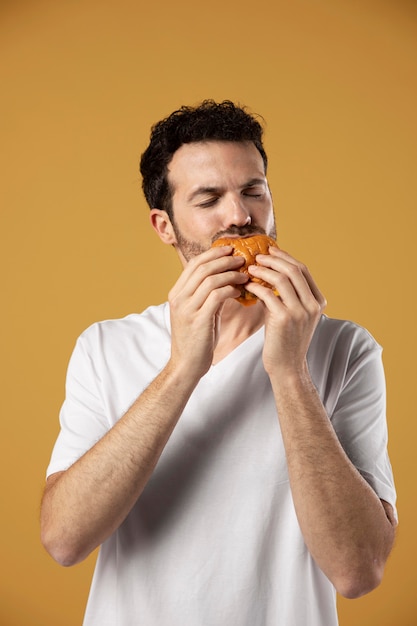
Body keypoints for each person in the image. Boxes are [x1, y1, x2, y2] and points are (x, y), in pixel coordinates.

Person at [41, 100, 397, 626]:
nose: (240, 216)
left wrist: (291, 372)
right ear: (165, 226)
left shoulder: (346, 350)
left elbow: (358, 571)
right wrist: (183, 367)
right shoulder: (105, 347)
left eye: (254, 191)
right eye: (209, 199)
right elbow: (64, 540)